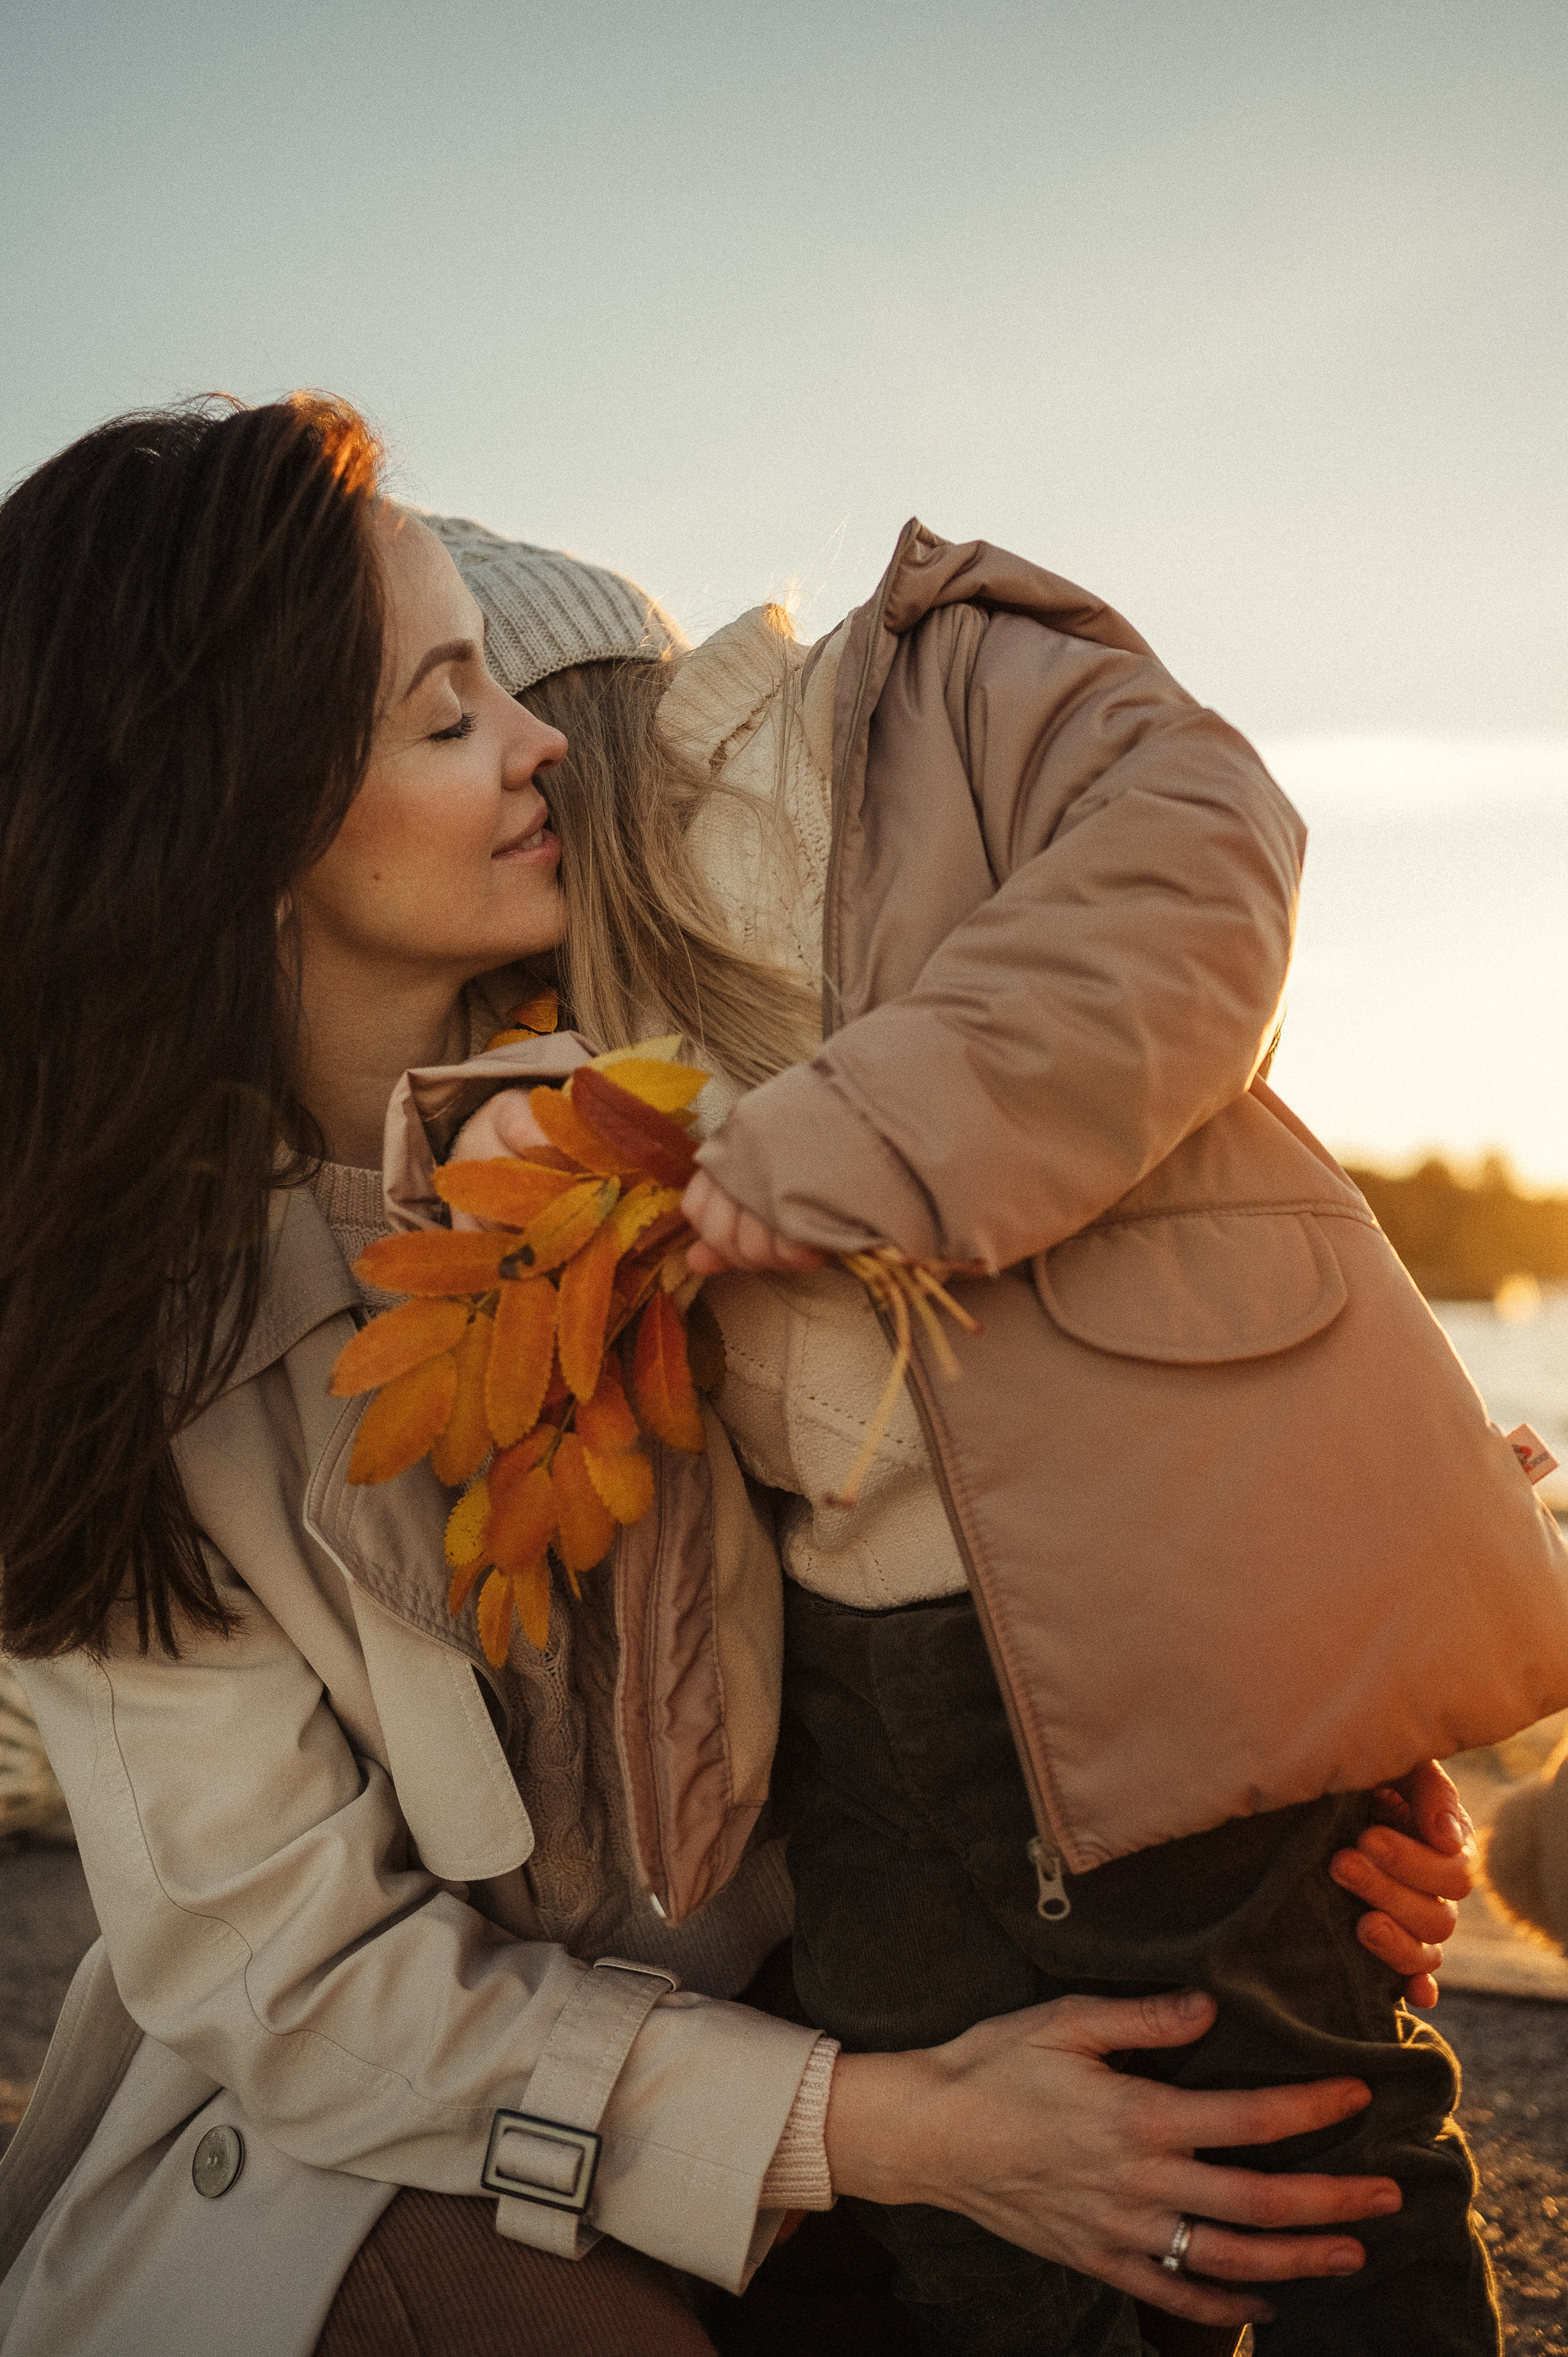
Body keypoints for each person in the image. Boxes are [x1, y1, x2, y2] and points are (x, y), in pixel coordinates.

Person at [0, 398, 1472, 2357]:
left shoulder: (695, 1151)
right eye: (448, 716)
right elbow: (304, 1987)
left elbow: (1003, 1496)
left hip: (840, 1997)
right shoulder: (105, 1354)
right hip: (412, 2148)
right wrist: (897, 2132)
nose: (537, 753)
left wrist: (1291, 1740)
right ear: (241, 822)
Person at [421, 510, 1568, 2357]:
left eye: (470, 714)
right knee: (993, 2229)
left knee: (1306, 2144)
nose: (500, 769)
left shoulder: (937, 685)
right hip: (865, 1685)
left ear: (563, 711)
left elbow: (1199, 871)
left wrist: (848, 1143)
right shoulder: (531, 998)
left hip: (1144, 1584)